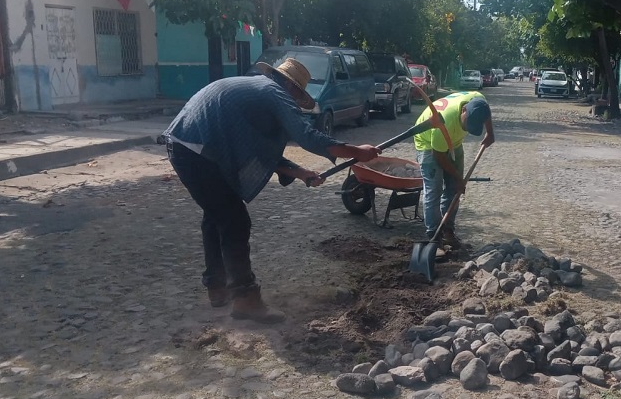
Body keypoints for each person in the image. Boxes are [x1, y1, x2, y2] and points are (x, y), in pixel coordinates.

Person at [163, 58, 381, 324]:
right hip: (196, 149)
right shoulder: (274, 92)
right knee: (234, 220)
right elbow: (308, 137)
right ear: (289, 84)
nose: (295, 103)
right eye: (297, 95)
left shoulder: (259, 91)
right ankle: (245, 299)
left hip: (187, 144)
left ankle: (217, 287)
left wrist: (300, 173)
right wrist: (357, 151)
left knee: (217, 216)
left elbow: (259, 150)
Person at [413, 91, 494, 250]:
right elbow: (439, 156)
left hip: (453, 142)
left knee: (455, 190)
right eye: (467, 124)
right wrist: (458, 177)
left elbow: (486, 111)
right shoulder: (446, 121)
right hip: (429, 145)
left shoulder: (479, 100)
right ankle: (434, 237)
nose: (467, 128)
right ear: (464, 110)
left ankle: (448, 231)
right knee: (434, 190)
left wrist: (490, 132)